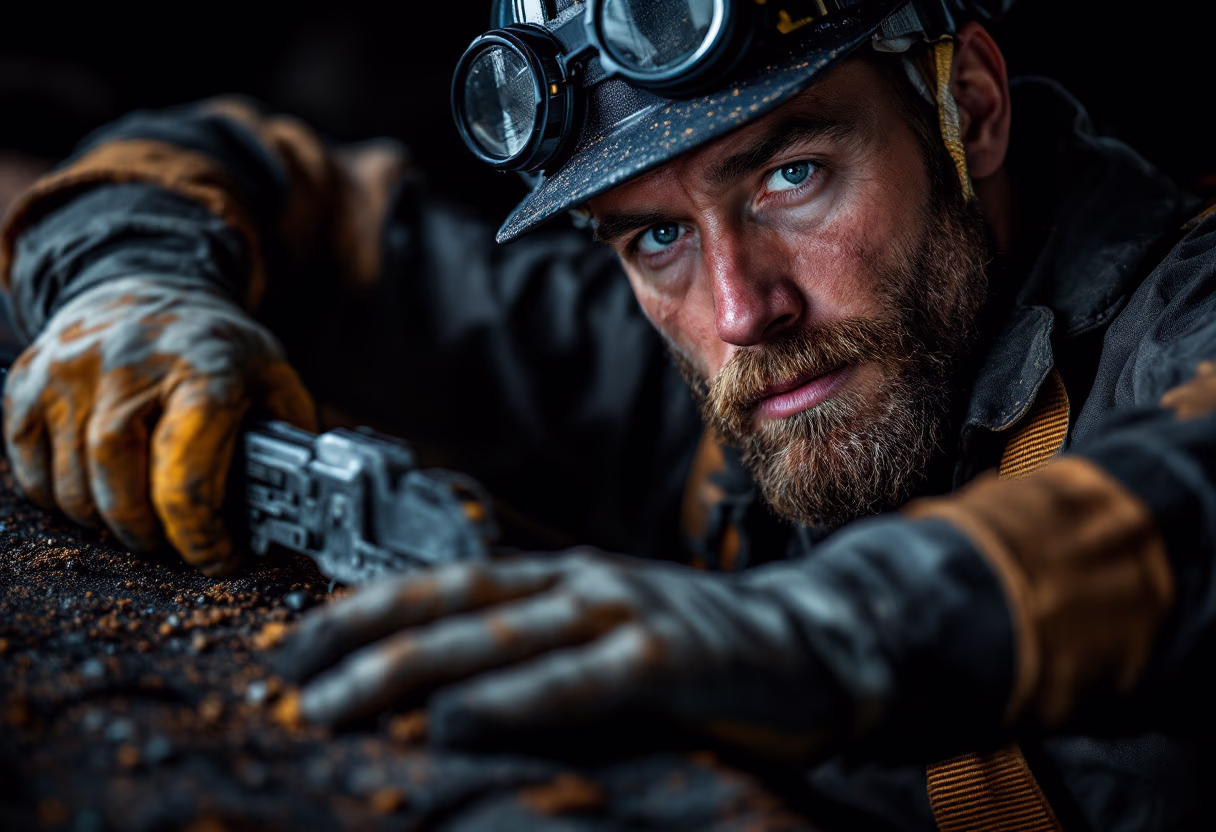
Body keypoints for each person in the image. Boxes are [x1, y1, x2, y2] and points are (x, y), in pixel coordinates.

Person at [3, 0, 1214, 828]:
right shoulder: (690, 373)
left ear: (974, 109)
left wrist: (822, 636)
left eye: (791, 174)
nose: (741, 309)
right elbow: (242, 169)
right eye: (655, 235)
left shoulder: (1181, 317)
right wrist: (127, 286)